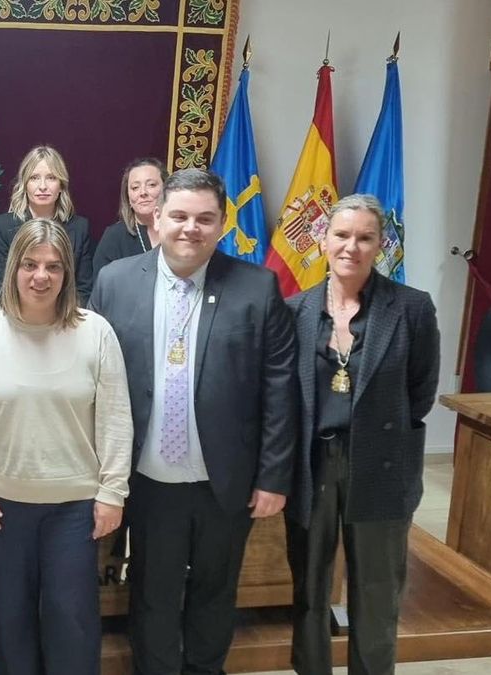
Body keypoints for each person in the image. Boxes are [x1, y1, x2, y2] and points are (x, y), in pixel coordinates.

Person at [89, 167, 298, 675]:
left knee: (214, 591)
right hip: (148, 477)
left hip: (225, 480)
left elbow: (279, 389)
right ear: (156, 219)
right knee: (153, 592)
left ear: (222, 225)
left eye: (205, 219)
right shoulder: (116, 282)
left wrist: (273, 476)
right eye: (179, 216)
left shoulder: (257, 288)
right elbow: (91, 380)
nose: (190, 228)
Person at [0, 218, 132, 674]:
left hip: (74, 507)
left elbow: (115, 417)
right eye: (30, 264)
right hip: (2, 506)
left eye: (54, 267)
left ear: (67, 274)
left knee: (70, 621)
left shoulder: (95, 332)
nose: (41, 276)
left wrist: (113, 492)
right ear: (13, 268)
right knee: (10, 621)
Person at [284, 194, 440, 675]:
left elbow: (421, 392)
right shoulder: (295, 310)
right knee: (310, 589)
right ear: (322, 240)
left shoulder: (411, 309)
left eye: (365, 237)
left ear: (380, 244)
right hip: (313, 466)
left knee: (376, 592)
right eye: (342, 235)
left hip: (382, 464)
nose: (352, 246)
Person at [0, 145, 93, 308]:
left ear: (61, 185)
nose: (42, 186)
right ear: (25, 184)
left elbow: (83, 289)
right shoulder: (3, 226)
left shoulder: (79, 228)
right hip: (16, 320)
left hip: (64, 322)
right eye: (34, 178)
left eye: (51, 177)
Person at [92, 158, 166, 289]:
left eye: (151, 185)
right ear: (128, 197)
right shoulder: (114, 236)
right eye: (135, 187)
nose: (143, 192)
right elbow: (102, 289)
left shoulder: (179, 230)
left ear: (166, 189)